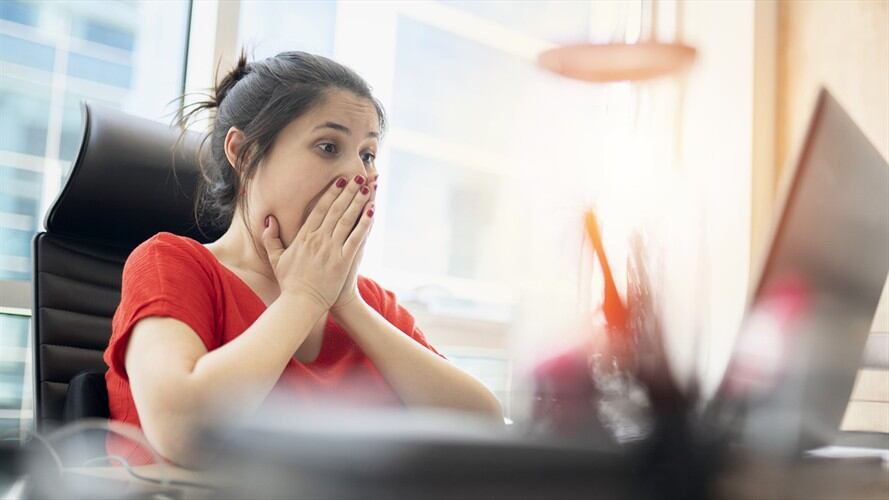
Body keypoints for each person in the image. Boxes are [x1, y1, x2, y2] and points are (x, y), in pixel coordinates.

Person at [102, 50, 503, 467]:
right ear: (243, 153)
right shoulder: (172, 264)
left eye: (367, 154)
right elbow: (182, 431)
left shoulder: (369, 302)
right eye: (328, 147)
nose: (359, 174)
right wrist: (305, 297)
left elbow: (483, 430)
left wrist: (346, 303)